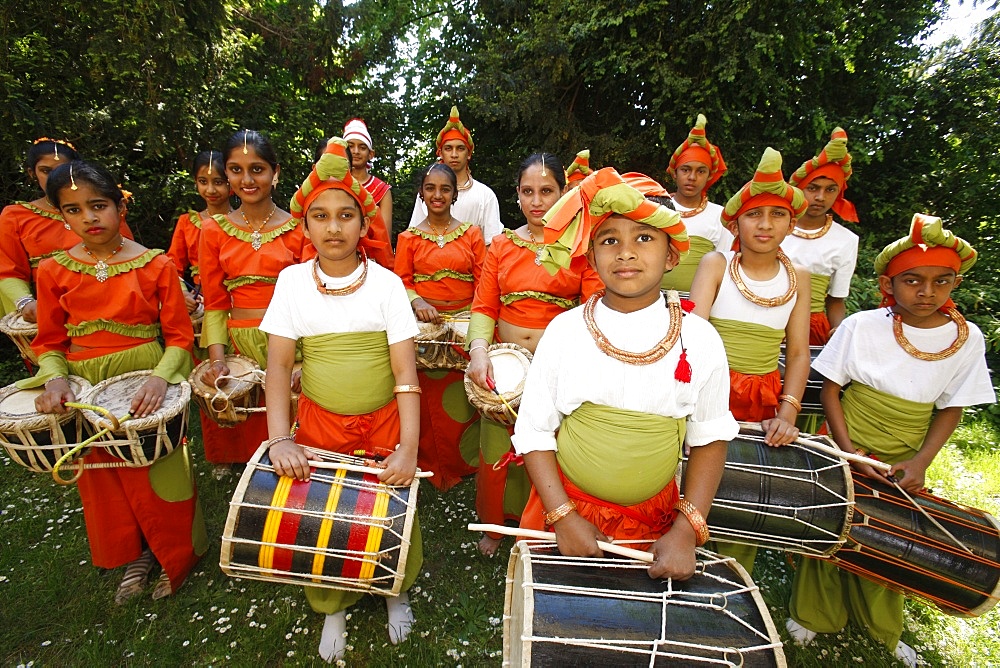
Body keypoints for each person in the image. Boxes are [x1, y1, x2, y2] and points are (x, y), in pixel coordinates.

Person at [786, 214, 994, 668]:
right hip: (847, 441)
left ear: (955, 282)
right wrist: (848, 449)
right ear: (888, 282)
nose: (927, 292)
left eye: (941, 281)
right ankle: (814, 614)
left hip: (908, 452)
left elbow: (951, 406)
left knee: (893, 535)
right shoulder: (863, 325)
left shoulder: (966, 338)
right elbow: (831, 390)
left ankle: (883, 627)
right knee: (829, 527)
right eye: (913, 280)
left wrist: (920, 461)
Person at [513, 166, 738, 579]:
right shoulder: (565, 331)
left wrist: (686, 530)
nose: (626, 252)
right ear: (592, 256)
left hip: (655, 525)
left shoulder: (701, 340)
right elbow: (533, 431)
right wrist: (562, 516)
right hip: (565, 509)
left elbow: (709, 438)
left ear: (672, 255)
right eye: (610, 239)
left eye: (644, 238)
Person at [260, 137, 422, 663]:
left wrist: (409, 448)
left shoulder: (387, 285)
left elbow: (405, 373)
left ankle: (392, 589)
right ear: (304, 225)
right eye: (321, 216)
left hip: (384, 426)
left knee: (389, 510)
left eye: (346, 215)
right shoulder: (290, 284)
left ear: (364, 223)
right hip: (321, 426)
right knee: (325, 516)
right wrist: (279, 439)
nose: (334, 227)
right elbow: (279, 366)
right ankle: (332, 605)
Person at [19, 160, 206, 604]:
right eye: (73, 210)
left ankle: (176, 551)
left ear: (119, 205)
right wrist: (56, 381)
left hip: (146, 373)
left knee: (158, 466)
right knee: (104, 476)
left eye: (98, 205)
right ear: (62, 214)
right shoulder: (52, 271)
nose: (89, 218)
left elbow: (179, 337)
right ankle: (134, 553)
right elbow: (49, 341)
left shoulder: (154, 265)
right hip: (84, 384)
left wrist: (162, 380)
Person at [465, 153, 603, 556]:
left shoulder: (579, 249)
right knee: (495, 448)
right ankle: (494, 525)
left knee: (545, 450)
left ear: (564, 194)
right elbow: (484, 306)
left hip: (555, 370)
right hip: (503, 369)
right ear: (518, 195)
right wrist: (478, 352)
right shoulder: (502, 245)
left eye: (547, 191)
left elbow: (592, 309)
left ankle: (541, 528)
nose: (537, 201)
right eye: (528, 192)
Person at [689, 147, 812, 573]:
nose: (764, 225)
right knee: (693, 477)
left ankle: (732, 572)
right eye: (754, 215)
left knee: (746, 486)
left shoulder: (800, 278)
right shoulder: (716, 262)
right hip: (710, 390)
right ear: (735, 221)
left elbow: (797, 353)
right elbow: (695, 332)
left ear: (791, 222)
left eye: (777, 215)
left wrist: (788, 411)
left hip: (763, 399)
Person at [198, 129, 312, 473]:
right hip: (239, 341)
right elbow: (216, 302)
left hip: (292, 338)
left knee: (298, 421)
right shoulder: (213, 231)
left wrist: (310, 357)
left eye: (257, 169)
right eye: (236, 170)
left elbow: (311, 299)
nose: (246, 180)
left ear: (275, 173)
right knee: (248, 423)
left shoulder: (299, 227)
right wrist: (219, 359)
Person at [394, 163, 485, 490]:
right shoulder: (409, 238)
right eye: (430, 188)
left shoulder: (472, 235)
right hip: (425, 331)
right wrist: (417, 301)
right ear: (421, 192)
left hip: (465, 328)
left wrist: (473, 320)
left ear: (454, 193)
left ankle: (467, 463)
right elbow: (401, 281)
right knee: (430, 401)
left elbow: (484, 282)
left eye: (444, 189)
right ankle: (432, 463)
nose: (437, 195)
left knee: (463, 397)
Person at [0, 138, 133, 321]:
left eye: (64, 171)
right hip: (50, 311)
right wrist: (26, 304)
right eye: (46, 171)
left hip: (113, 305)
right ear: (32, 173)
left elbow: (132, 260)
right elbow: (8, 270)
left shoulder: (103, 209)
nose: (55, 179)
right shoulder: (15, 216)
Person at [783, 127, 860, 345]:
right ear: (799, 189)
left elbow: (836, 299)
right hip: (768, 318)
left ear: (839, 192)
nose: (820, 197)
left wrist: (838, 333)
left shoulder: (846, 240)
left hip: (812, 329)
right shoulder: (773, 230)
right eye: (813, 188)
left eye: (830, 190)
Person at [407, 106, 502, 244]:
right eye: (448, 148)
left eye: (460, 148)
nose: (454, 154)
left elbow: (492, 245)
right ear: (440, 153)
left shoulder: (485, 195)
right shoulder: (429, 193)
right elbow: (414, 237)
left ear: (468, 154)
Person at [662, 114, 732, 293]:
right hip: (651, 299)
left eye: (700, 171)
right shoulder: (657, 207)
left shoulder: (720, 216)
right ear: (674, 173)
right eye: (685, 170)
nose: (692, 177)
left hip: (697, 304)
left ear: (709, 175)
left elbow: (723, 265)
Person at [167, 150, 229, 310]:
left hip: (240, 302)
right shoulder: (187, 223)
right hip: (200, 301)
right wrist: (184, 294)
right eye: (203, 181)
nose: (210, 190)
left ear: (231, 182)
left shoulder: (243, 223)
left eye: (218, 182)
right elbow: (173, 266)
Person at [343, 118, 396, 269]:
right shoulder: (336, 185)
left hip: (372, 261)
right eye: (350, 146)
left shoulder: (381, 189)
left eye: (362, 147)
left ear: (371, 154)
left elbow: (384, 237)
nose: (356, 151)